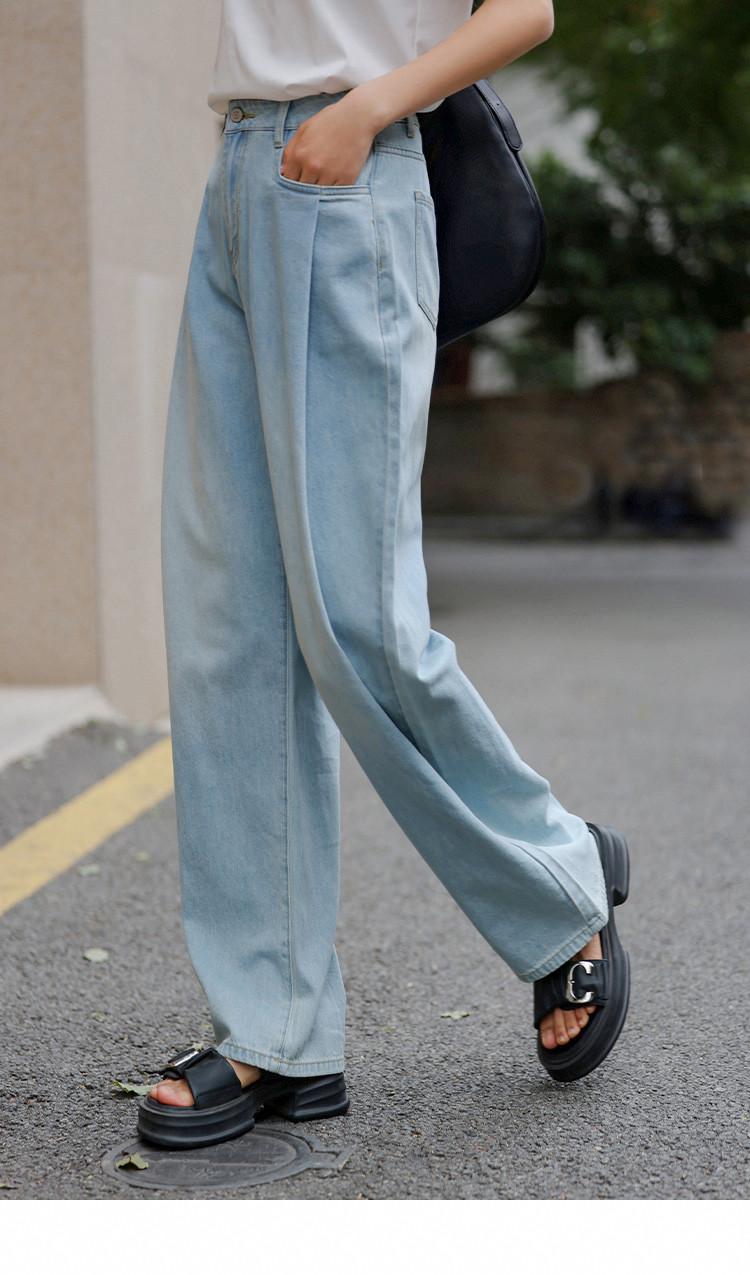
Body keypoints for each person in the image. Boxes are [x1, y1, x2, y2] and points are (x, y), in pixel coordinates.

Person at [137, 0, 631, 1150]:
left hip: (350, 167)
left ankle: (559, 881)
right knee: (231, 631)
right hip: (241, 174)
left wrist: (367, 108)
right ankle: (274, 1034)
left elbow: (525, 10)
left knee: (358, 616)